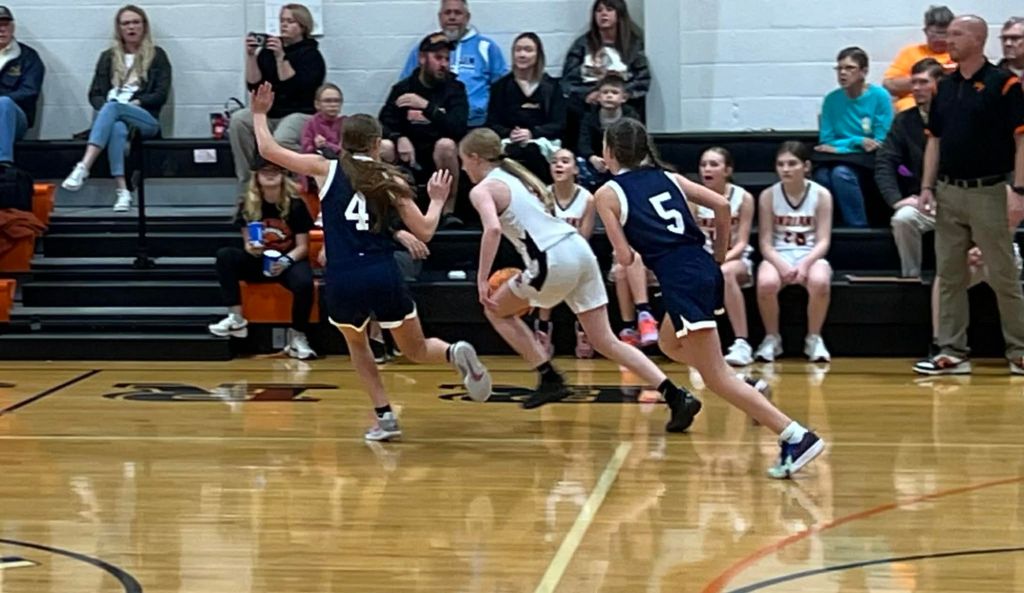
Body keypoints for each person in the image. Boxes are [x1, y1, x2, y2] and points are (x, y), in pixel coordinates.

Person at [249, 82, 491, 440]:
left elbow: (268, 149)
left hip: (343, 276)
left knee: (358, 346)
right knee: (416, 348)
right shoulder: (390, 177)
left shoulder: (325, 168)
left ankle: (385, 418)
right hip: (382, 272)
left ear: (343, 142)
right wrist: (438, 200)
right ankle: (453, 352)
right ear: (376, 144)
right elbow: (425, 232)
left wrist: (259, 114)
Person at [593, 118, 825, 479]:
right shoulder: (668, 177)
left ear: (610, 151)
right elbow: (722, 206)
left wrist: (642, 245)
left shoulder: (607, 194)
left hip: (681, 278)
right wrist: (718, 255)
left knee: (715, 377)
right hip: (700, 268)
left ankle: (796, 436)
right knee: (669, 344)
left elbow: (624, 258)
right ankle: (747, 388)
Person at [461, 127, 732, 431]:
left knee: (495, 309)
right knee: (604, 339)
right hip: (578, 249)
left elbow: (493, 229)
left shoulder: (482, 189)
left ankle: (549, 377)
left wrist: (481, 279)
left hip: (551, 258)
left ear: (474, 157)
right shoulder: (517, 177)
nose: (463, 168)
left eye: (463, 161)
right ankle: (674, 395)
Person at [915, 15, 1024, 376]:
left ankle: (1020, 350)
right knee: (949, 275)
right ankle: (951, 351)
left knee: (1003, 274)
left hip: (989, 191)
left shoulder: (1004, 84)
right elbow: (934, 141)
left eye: (957, 34)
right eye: (948, 34)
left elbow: (1021, 140)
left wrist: (1019, 191)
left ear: (978, 40)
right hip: (948, 192)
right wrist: (927, 186)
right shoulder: (943, 86)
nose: (949, 40)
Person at [61, 4, 171, 212]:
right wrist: (108, 110)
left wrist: (136, 103)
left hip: (145, 118)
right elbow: (94, 94)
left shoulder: (157, 56)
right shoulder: (108, 57)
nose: (131, 27)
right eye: (126, 23)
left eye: (136, 22)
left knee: (114, 108)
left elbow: (160, 94)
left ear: (144, 26)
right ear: (119, 28)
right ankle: (123, 191)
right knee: (116, 126)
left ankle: (84, 166)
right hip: (114, 115)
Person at [208, 158, 316, 360]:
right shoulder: (247, 204)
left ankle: (298, 336)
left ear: (283, 175)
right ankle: (236, 318)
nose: (270, 174)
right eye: (265, 171)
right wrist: (252, 249)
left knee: (304, 282)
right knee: (225, 256)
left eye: (275, 170)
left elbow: (303, 247)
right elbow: (248, 243)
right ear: (256, 176)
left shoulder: (296, 204)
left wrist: (285, 262)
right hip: (259, 261)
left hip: (288, 260)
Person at [230, 4, 326, 194]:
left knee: (280, 140)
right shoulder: (268, 51)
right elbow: (253, 85)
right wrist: (251, 56)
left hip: (300, 112)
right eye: (282, 21)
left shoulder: (311, 55)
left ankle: (292, 187)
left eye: (290, 21)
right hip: (271, 111)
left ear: (303, 26)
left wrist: (281, 57)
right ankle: (248, 185)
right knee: (238, 121)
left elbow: (296, 87)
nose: (284, 25)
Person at [755, 142, 834, 363]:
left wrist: (805, 265)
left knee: (820, 281)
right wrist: (782, 265)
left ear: (806, 166)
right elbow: (765, 243)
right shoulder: (768, 195)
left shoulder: (822, 195)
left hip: (810, 254)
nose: (785, 169)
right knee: (766, 283)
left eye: (792, 164)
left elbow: (823, 240)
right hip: (778, 254)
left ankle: (814, 338)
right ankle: (772, 338)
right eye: (781, 164)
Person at [380, 32, 468, 216]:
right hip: (408, 155)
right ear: (422, 58)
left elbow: (458, 127)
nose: (443, 64)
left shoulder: (455, 89)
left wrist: (426, 107)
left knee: (446, 145)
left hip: (440, 156)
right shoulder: (403, 88)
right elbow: (383, 122)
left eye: (447, 59)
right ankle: (390, 211)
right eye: (438, 58)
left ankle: (448, 211)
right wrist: (398, 138)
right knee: (384, 146)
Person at [876, 58, 945, 278]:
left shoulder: (958, 117)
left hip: (960, 200)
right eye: (913, 82)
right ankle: (911, 277)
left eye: (923, 82)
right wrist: (895, 199)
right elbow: (885, 161)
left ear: (939, 84)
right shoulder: (904, 121)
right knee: (903, 218)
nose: (916, 88)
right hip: (924, 201)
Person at [814, 46, 893, 228]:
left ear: (864, 71)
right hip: (840, 156)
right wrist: (857, 141)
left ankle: (857, 228)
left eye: (849, 68)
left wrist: (841, 146)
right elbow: (826, 141)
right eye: (839, 68)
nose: (843, 73)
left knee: (841, 174)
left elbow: (879, 140)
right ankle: (829, 228)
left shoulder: (880, 96)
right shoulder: (831, 99)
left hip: (867, 160)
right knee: (822, 176)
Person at [400, 0, 506, 128]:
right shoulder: (425, 48)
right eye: (447, 12)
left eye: (458, 13)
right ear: (440, 17)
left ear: (467, 17)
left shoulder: (486, 47)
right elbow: (406, 84)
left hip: (475, 125)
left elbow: (502, 89)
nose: (452, 17)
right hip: (432, 123)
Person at [695, 147, 756, 366]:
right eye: (703, 165)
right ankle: (698, 346)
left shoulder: (743, 198)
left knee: (725, 273)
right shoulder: (693, 198)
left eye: (714, 164)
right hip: (703, 259)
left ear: (727, 170)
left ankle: (742, 343)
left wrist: (719, 261)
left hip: (735, 259)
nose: (707, 169)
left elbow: (742, 242)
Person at [533, 149, 596, 358]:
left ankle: (583, 330)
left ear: (576, 169)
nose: (558, 165)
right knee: (546, 268)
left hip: (577, 253)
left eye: (565, 161)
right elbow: (539, 235)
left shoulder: (587, 199)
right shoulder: (541, 196)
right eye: (554, 161)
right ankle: (543, 329)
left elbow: (584, 239)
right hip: (549, 253)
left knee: (578, 267)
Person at [562, 0, 649, 148]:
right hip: (588, 108)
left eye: (609, 9)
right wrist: (590, 94)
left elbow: (643, 79)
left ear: (619, 13)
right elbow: (568, 80)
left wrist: (621, 93)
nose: (603, 14)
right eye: (599, 10)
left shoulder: (633, 44)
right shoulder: (582, 44)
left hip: (623, 107)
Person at [485, 32, 566, 183]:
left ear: (538, 55)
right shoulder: (500, 87)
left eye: (528, 50)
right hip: (509, 142)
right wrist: (510, 133)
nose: (522, 54)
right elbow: (492, 122)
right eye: (518, 50)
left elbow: (559, 123)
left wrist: (532, 133)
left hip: (542, 142)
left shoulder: (552, 87)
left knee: (532, 151)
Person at [883, 5, 955, 112]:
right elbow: (889, 85)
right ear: (925, 31)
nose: (940, 39)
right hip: (913, 104)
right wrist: (929, 78)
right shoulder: (910, 52)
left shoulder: (960, 53)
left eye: (945, 34)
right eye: (934, 34)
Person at [577, 75, 640, 191]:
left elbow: (636, 143)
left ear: (624, 98)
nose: (609, 96)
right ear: (598, 97)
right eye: (605, 92)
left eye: (614, 92)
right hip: (597, 162)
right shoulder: (589, 117)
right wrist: (592, 158)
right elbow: (583, 143)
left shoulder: (631, 118)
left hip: (624, 161)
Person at [0, 6, 44, 166]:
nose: (1, 29)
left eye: (5, 25)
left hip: (14, 117)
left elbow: (30, 91)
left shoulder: (28, 57)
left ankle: (3, 163)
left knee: (4, 103)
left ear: (13, 27)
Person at [300, 83, 344, 159]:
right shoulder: (311, 123)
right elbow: (305, 150)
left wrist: (327, 145)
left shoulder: (346, 123)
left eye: (337, 101)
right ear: (317, 104)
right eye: (327, 101)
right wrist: (315, 146)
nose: (333, 105)